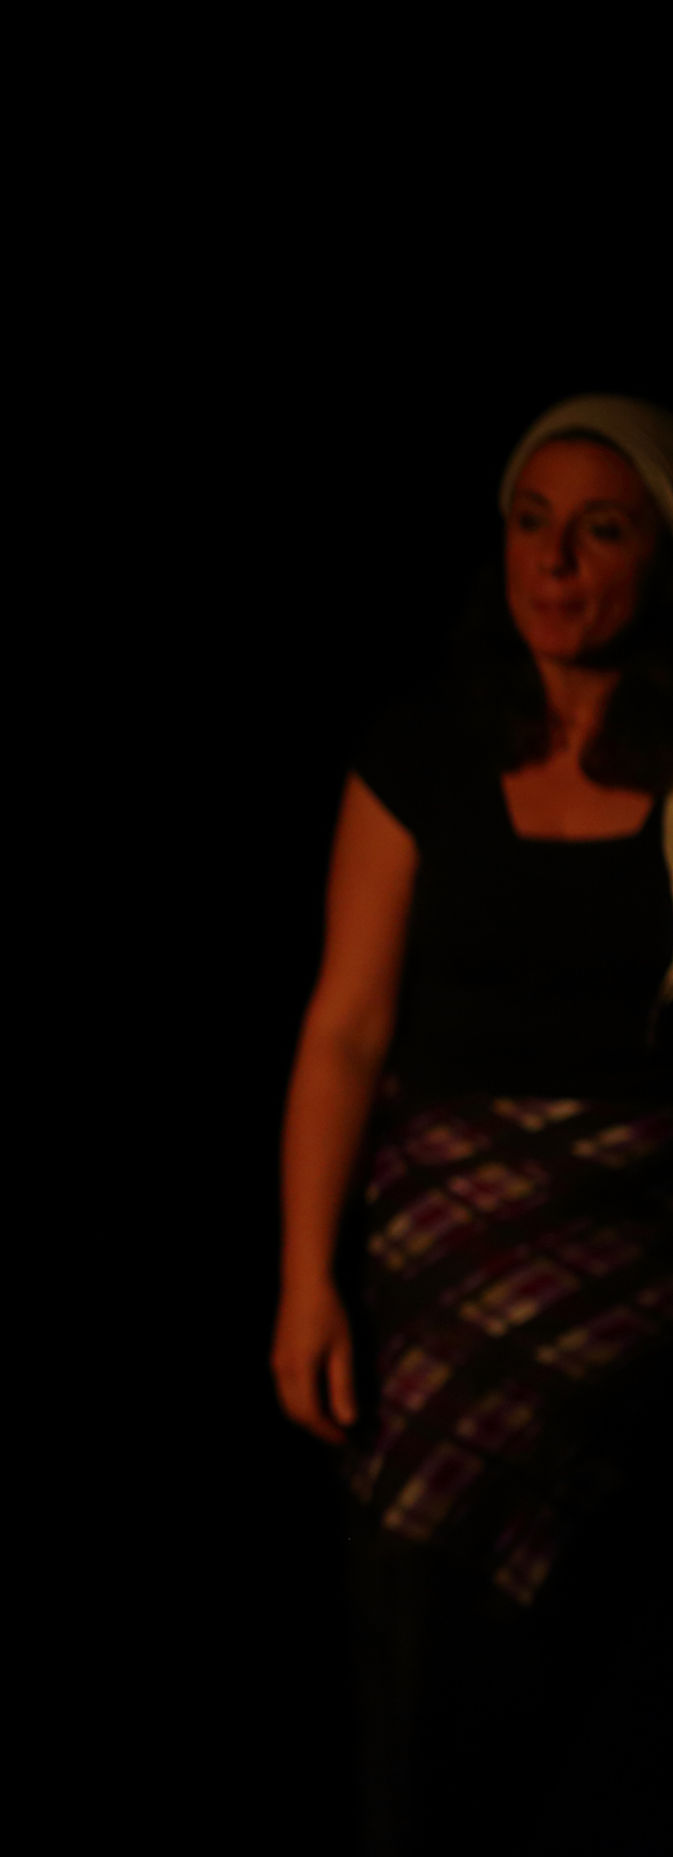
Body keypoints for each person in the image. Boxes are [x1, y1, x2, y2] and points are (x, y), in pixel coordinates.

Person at [270, 394, 672, 1854]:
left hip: (639, 1260)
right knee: (422, 1642)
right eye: (528, 521)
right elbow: (344, 1027)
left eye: (599, 528)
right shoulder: (420, 749)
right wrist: (304, 1278)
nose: (552, 562)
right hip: (442, 1250)